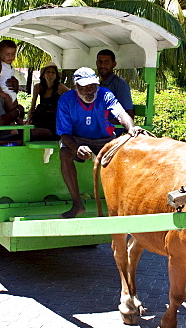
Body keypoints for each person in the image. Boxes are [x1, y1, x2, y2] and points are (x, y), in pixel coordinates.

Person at [57, 66, 139, 218]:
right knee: (64, 153)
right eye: (85, 87)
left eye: (93, 86)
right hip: (77, 139)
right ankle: (77, 204)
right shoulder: (66, 100)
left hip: (105, 140)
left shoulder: (105, 94)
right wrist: (77, 148)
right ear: (76, 87)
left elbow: (122, 114)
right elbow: (64, 134)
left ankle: (124, 204)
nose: (90, 91)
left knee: (125, 156)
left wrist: (132, 128)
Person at [27, 63, 69, 136]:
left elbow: (73, 95)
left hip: (53, 118)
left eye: (53, 72)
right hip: (40, 116)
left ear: (56, 76)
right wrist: (28, 119)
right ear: (43, 75)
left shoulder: (60, 86)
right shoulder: (38, 87)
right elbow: (32, 106)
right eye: (48, 72)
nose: (50, 74)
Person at [96, 49, 134, 122]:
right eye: (100, 62)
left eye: (107, 62)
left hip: (112, 129)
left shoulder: (120, 84)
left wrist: (102, 122)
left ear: (114, 64)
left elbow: (129, 115)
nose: (102, 65)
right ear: (96, 63)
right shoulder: (97, 83)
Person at [0, 39, 20, 112]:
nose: (10, 57)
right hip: (4, 90)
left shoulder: (10, 66)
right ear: (0, 54)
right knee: (10, 106)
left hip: (10, 90)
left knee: (16, 105)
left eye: (13, 54)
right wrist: (0, 91)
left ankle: (20, 121)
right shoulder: (0, 66)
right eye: (7, 54)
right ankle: (10, 118)